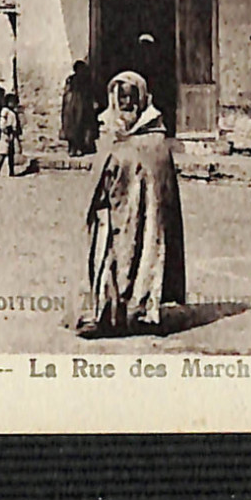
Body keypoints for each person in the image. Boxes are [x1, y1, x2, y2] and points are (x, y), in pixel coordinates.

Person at [76, 71, 186, 337]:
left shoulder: (155, 140)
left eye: (131, 97)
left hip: (145, 219)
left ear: (141, 99)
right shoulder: (108, 133)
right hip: (111, 215)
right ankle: (106, 317)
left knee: (145, 259)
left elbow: (162, 189)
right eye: (121, 97)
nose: (126, 103)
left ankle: (142, 312)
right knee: (109, 262)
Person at [60, 59, 101, 157]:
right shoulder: (71, 79)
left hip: (81, 105)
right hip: (72, 105)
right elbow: (67, 92)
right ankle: (72, 148)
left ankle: (79, 147)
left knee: (81, 125)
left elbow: (90, 93)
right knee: (70, 126)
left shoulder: (86, 81)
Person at [0, 93, 22, 177]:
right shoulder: (5, 111)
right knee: (3, 153)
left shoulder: (14, 113)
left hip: (12, 134)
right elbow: (2, 122)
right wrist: (5, 129)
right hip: (6, 134)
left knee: (11, 154)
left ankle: (11, 171)